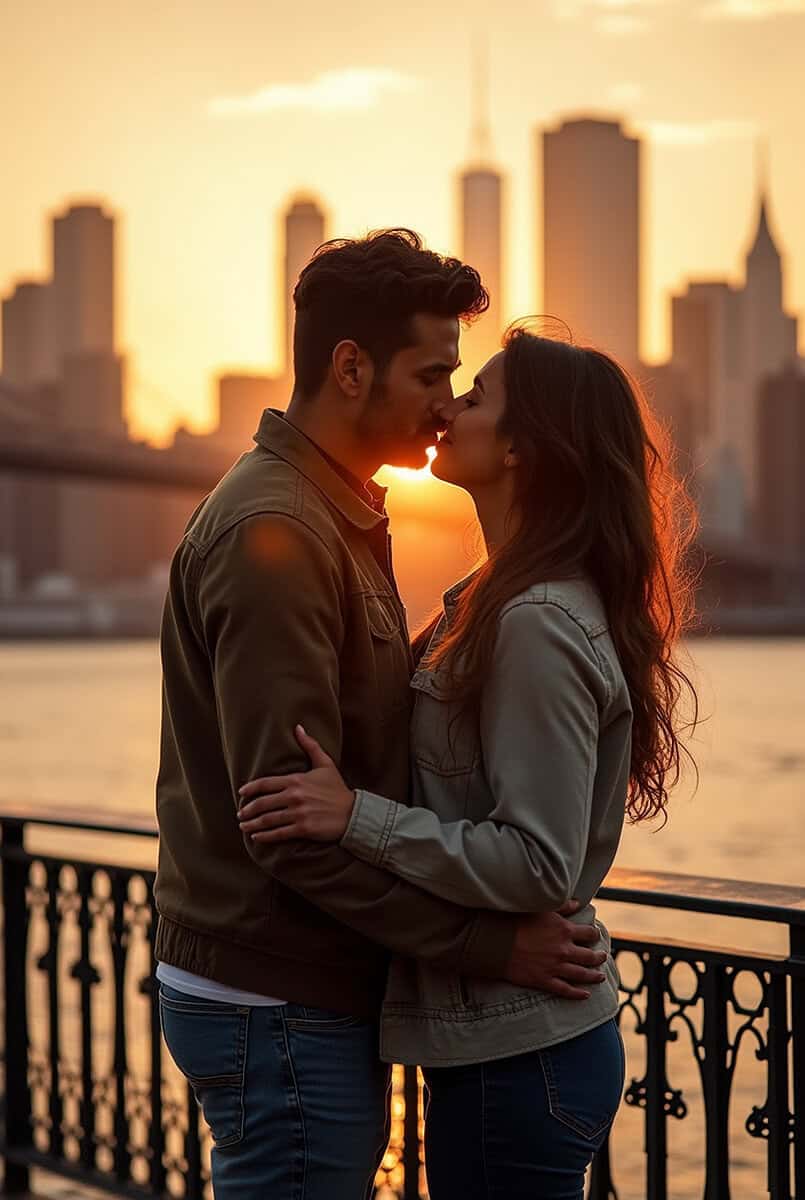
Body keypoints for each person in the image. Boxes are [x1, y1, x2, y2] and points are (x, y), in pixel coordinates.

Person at [154, 234, 610, 1200]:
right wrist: (495, 946)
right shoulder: (275, 532)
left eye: (460, 379)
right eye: (433, 372)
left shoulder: (340, 513)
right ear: (350, 368)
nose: (447, 400)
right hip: (277, 991)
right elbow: (289, 828)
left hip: (298, 985)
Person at [238, 327, 699, 1199]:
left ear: (523, 447)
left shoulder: (534, 623)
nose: (448, 407)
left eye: (476, 395)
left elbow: (538, 862)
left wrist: (352, 818)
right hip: (504, 1043)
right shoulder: (486, 602)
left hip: (522, 1056)